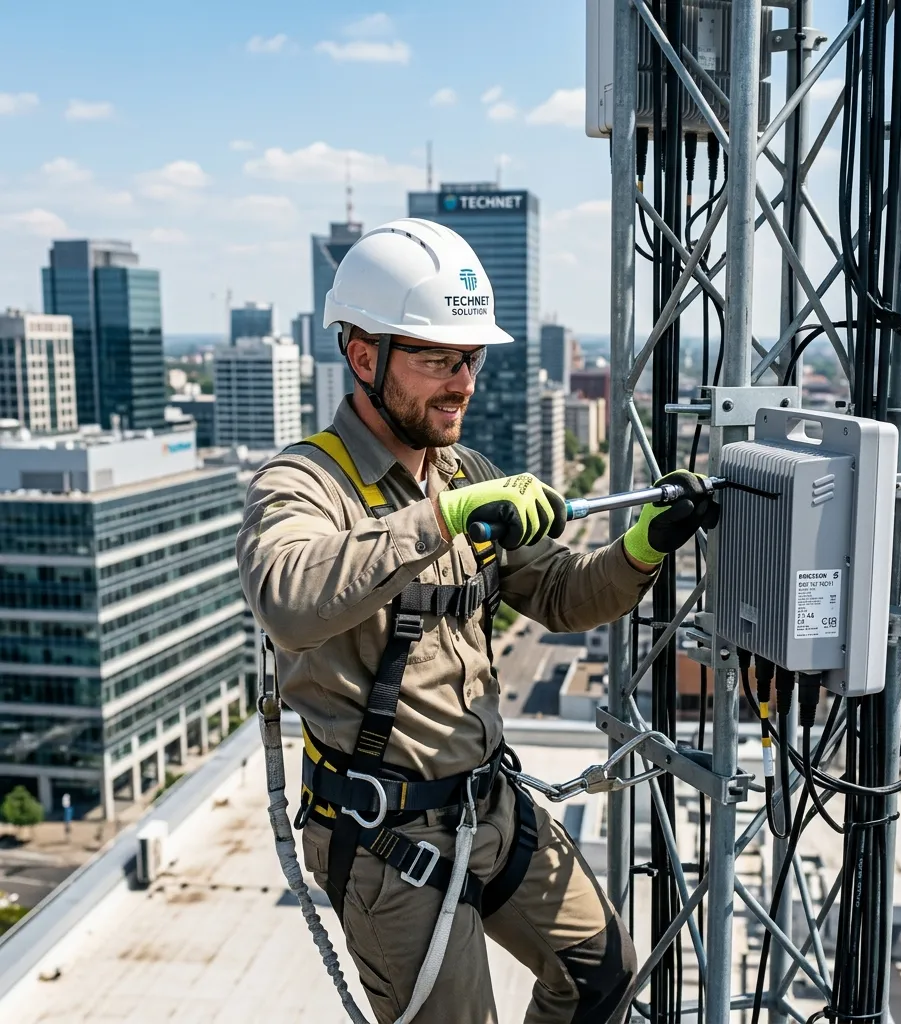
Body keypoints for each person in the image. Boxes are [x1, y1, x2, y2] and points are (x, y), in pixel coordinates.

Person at [237, 218, 718, 1024]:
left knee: (602, 975)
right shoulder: (304, 482)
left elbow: (563, 595)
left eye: (470, 359)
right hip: (391, 841)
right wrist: (443, 518)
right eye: (436, 360)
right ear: (364, 356)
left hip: (488, 803)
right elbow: (288, 600)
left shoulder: (467, 471)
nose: (463, 383)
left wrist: (644, 544)